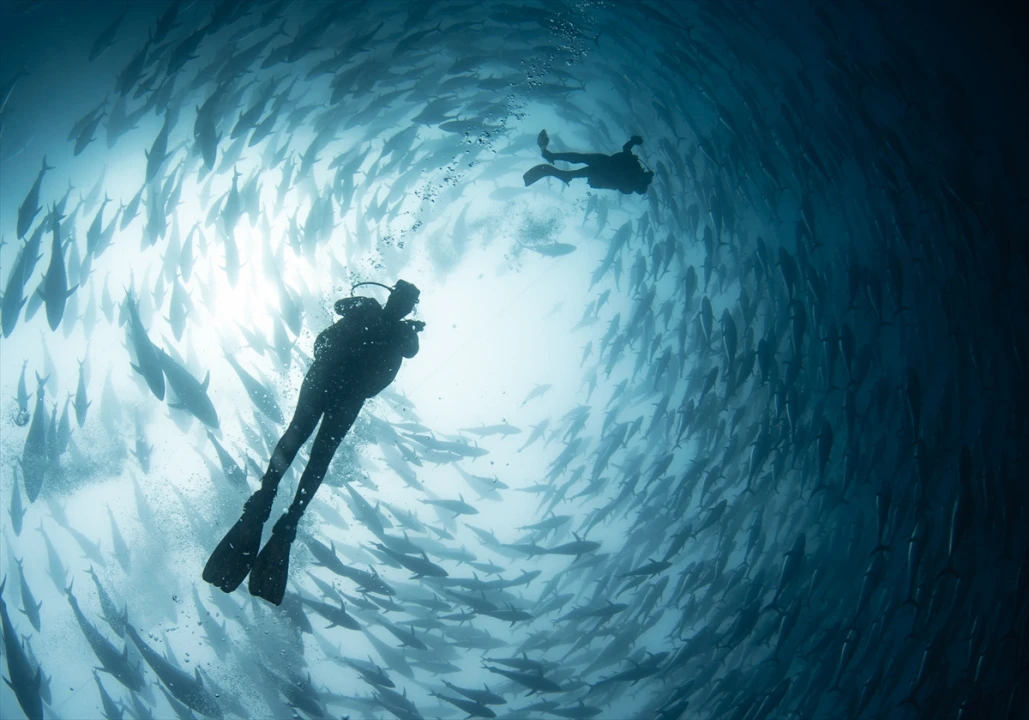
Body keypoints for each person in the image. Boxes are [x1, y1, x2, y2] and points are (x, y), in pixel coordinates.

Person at [203, 279, 425, 605]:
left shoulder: (402, 332)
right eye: (402, 299)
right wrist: (379, 315)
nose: (403, 306)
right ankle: (270, 498)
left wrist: (403, 327)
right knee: (302, 439)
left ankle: (287, 513)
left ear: (407, 307)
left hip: (344, 389)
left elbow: (410, 349)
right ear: (393, 297)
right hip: (330, 378)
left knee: (316, 452)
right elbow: (340, 307)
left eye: (408, 303)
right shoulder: (373, 311)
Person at [523, 130, 654, 195]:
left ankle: (553, 156)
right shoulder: (629, 184)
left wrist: (633, 141)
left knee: (580, 157)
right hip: (600, 173)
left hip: (604, 163)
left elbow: (626, 149)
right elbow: (613, 186)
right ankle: (565, 173)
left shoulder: (634, 170)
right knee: (578, 164)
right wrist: (598, 184)